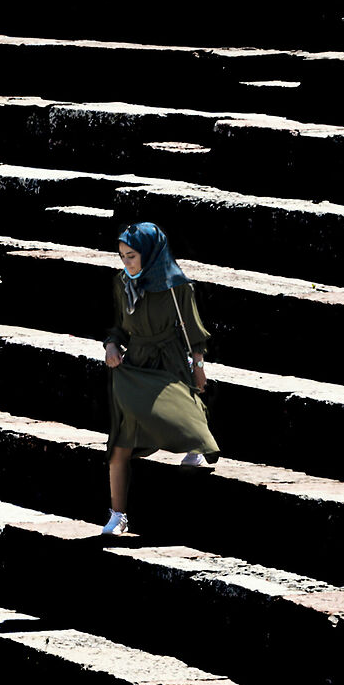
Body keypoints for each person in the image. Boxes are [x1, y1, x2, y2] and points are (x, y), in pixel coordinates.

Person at [98, 220, 218, 536]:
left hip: (169, 362)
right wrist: (111, 345)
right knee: (120, 442)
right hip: (136, 366)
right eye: (122, 256)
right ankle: (118, 514)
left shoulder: (178, 287)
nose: (126, 263)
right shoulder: (122, 283)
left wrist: (198, 365)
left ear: (150, 254)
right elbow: (119, 327)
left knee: (182, 416)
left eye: (132, 256)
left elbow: (194, 332)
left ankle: (195, 444)